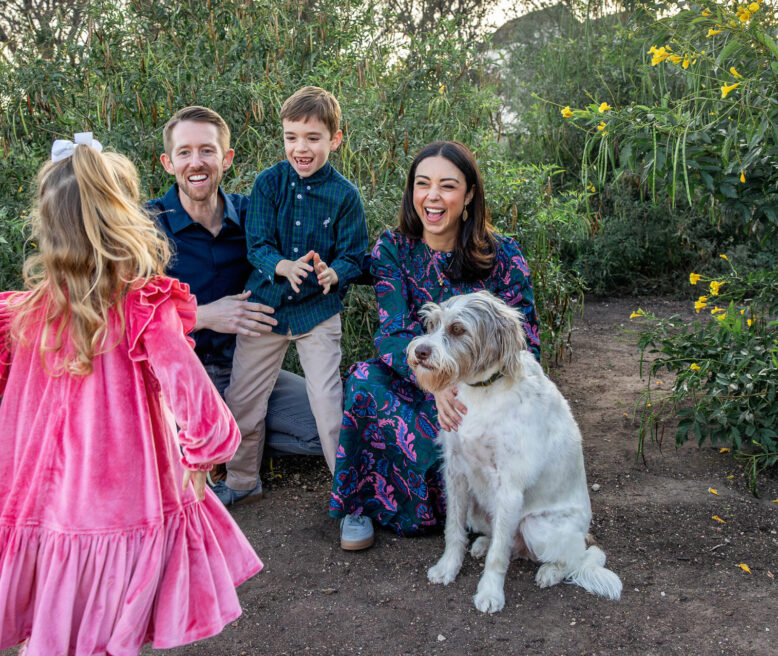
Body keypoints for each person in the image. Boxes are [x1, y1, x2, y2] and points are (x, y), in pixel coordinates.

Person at [0, 134, 262, 656]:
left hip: (35, 503)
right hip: (122, 506)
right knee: (100, 627)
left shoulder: (20, 318)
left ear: (48, 228)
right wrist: (204, 450)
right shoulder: (145, 309)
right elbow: (191, 388)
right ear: (124, 221)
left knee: (51, 616)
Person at [329, 140, 540, 551]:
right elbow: (392, 331)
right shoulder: (392, 248)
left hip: (482, 391)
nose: (433, 197)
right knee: (362, 380)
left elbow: (525, 340)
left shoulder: (504, 255)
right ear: (412, 192)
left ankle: (480, 513)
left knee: (469, 427)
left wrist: (462, 386)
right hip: (418, 379)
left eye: (447, 185)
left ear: (469, 195)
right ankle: (362, 506)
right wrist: (434, 384)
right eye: (422, 184)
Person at [147, 106, 323, 473]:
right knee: (146, 444)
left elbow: (302, 249)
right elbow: (122, 316)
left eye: (207, 150)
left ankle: (225, 440)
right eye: (184, 152)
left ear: (226, 158)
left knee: (324, 428)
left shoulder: (252, 214)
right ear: (168, 162)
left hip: (247, 370)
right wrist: (204, 315)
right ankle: (210, 440)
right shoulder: (146, 227)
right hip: (178, 375)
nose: (196, 162)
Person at [217, 86, 369, 505]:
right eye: (291, 137)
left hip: (317, 312)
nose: (300, 148)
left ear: (334, 140)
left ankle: (349, 496)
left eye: (312, 138)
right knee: (244, 400)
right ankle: (242, 482)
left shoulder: (345, 196)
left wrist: (332, 273)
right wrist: (283, 266)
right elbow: (257, 245)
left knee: (327, 403)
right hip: (264, 307)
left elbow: (354, 255)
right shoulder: (268, 183)